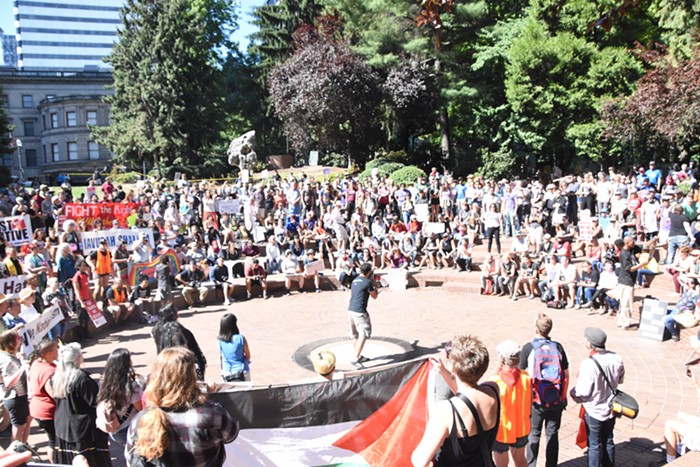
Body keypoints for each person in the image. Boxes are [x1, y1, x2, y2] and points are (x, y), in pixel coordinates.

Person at [125, 347, 239, 467]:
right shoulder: (212, 415)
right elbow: (231, 435)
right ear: (191, 376)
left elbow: (131, 460)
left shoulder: (140, 421)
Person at [412, 334, 500, 467]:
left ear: (453, 369)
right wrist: (443, 372)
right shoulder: (493, 390)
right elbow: (466, 394)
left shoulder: (446, 411)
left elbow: (419, 461)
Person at [569, 327, 625, 467]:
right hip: (611, 408)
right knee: (608, 440)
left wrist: (573, 393)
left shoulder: (589, 364)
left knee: (594, 444)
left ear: (590, 343)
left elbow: (583, 392)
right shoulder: (616, 357)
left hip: (594, 410)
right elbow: (620, 380)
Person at [519, 313, 569, 467]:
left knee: (534, 434)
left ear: (536, 330)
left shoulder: (528, 348)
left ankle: (531, 464)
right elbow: (565, 374)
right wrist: (563, 395)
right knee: (552, 434)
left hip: (536, 400)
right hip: (555, 398)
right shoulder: (558, 347)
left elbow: (521, 375)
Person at [52, 342, 112, 466]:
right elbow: (95, 402)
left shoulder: (57, 377)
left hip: (62, 426)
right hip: (81, 430)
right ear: (77, 358)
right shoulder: (81, 378)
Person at [490, 340, 531, 467]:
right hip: (521, 427)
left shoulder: (495, 382)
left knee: (501, 464)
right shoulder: (526, 377)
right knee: (520, 460)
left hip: (502, 430)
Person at [96, 348, 144, 446]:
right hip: (128, 428)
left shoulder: (105, 382)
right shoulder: (130, 386)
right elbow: (140, 408)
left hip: (114, 428)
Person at [151, 304, 207, 381]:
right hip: (182, 367)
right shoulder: (178, 331)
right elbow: (183, 351)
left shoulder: (156, 330)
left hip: (166, 364)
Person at [28, 338, 58, 463]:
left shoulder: (36, 363)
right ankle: (55, 464)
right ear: (47, 354)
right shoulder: (49, 371)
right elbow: (53, 393)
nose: (58, 351)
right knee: (54, 442)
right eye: (56, 349)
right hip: (47, 412)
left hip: (37, 408)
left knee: (52, 440)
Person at [0, 330, 31, 444]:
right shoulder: (7, 361)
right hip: (14, 396)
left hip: (17, 396)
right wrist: (22, 367)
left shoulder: (6, 356)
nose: (20, 339)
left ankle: (22, 446)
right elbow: (8, 382)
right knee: (19, 426)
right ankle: (16, 450)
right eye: (17, 338)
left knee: (25, 421)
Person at [347, 262, 379, 368]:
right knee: (364, 333)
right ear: (369, 272)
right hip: (360, 312)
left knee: (355, 334)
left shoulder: (354, 280)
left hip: (350, 310)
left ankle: (358, 355)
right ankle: (355, 358)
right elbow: (375, 296)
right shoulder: (367, 282)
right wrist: (376, 287)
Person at [618, 235, 649, 329]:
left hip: (628, 280)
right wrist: (642, 264)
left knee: (624, 303)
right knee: (627, 303)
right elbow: (630, 269)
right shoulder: (624, 254)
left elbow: (645, 246)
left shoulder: (631, 249)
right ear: (627, 243)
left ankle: (621, 321)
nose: (634, 243)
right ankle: (625, 324)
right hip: (626, 280)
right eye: (632, 242)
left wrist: (654, 240)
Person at [217, 313, 251, 382]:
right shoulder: (240, 338)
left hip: (226, 372)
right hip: (241, 372)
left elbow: (221, 355)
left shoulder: (220, 340)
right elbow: (248, 356)